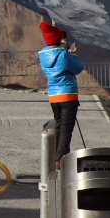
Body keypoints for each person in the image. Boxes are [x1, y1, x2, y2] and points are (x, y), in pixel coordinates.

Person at [38, 20, 82, 166]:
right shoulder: (63, 55)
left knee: (59, 124)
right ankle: (61, 158)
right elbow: (77, 68)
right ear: (59, 39)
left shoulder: (43, 55)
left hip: (53, 95)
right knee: (66, 127)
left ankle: (55, 153)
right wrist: (73, 55)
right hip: (67, 93)